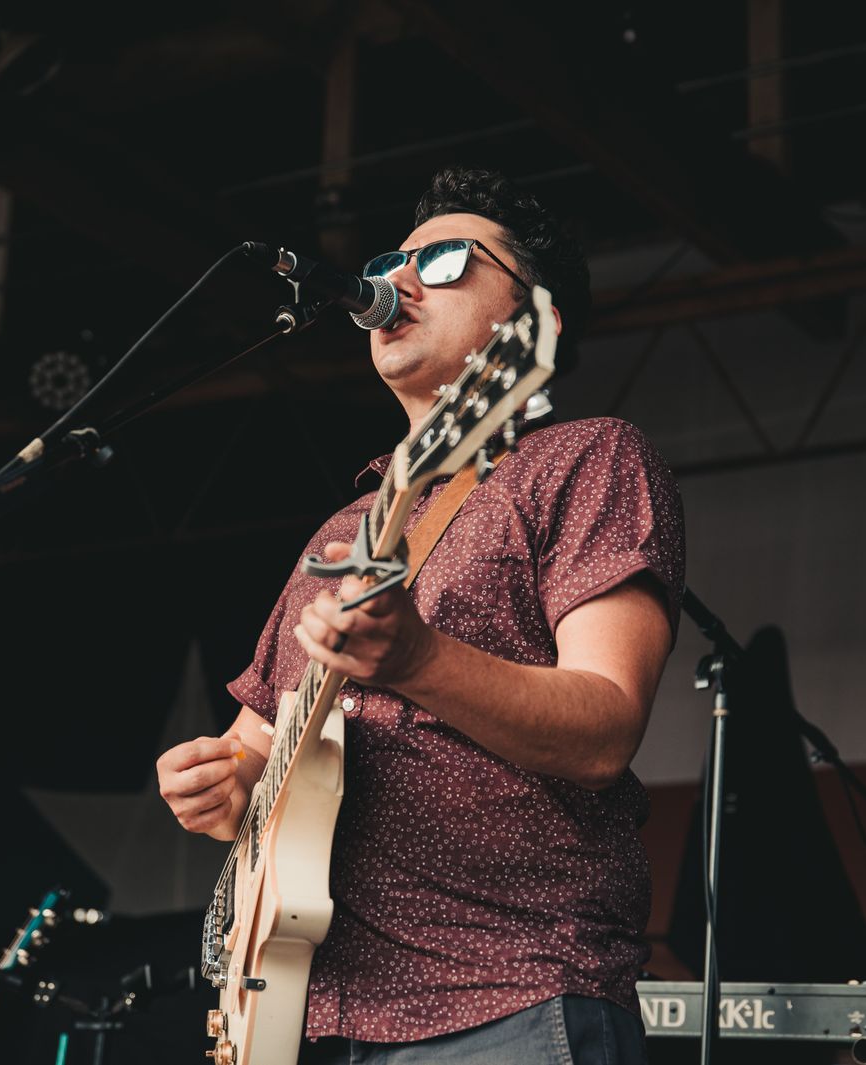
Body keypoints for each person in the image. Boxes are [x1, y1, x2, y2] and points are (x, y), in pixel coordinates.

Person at [158, 167, 685, 1063]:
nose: (397, 279)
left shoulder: (586, 459)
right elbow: (257, 748)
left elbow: (605, 728)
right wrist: (220, 781)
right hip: (318, 1018)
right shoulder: (342, 534)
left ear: (537, 319)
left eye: (445, 261)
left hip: (510, 996)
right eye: (388, 262)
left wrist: (417, 660)